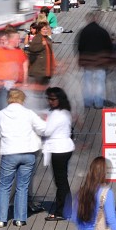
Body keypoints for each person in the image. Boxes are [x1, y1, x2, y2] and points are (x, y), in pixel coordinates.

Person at [0, 89, 45, 228]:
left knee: (4, 186)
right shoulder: (29, 113)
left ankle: (1, 219)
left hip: (10, 153)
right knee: (23, 186)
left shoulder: (1, 114)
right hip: (28, 153)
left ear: (8, 99)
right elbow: (42, 128)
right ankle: (20, 219)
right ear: (22, 99)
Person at [42, 87, 74, 221]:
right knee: (62, 180)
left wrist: (41, 122)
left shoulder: (57, 114)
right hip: (65, 147)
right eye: (48, 98)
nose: (50, 101)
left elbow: (46, 131)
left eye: (53, 99)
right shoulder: (65, 112)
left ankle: (62, 211)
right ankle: (66, 208)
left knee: (60, 181)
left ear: (59, 99)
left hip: (58, 149)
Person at [0, 27, 28, 131]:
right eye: (17, 39)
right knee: (2, 108)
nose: (20, 41)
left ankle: (12, 129)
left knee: (16, 108)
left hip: (15, 85)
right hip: (1, 85)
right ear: (11, 40)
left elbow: (25, 66)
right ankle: (0, 130)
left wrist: (24, 82)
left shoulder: (19, 52)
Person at [77, 12, 113, 109]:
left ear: (88, 20)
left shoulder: (84, 31)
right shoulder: (103, 31)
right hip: (100, 62)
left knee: (87, 82)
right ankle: (98, 102)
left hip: (87, 61)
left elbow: (80, 46)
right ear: (97, 19)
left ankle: (88, 102)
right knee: (100, 82)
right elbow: (109, 47)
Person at [27, 22, 55, 88]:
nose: (46, 31)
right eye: (44, 29)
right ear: (40, 30)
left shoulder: (47, 38)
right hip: (39, 69)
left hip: (46, 68)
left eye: (46, 29)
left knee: (45, 88)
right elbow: (32, 49)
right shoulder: (37, 38)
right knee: (39, 88)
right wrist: (42, 45)